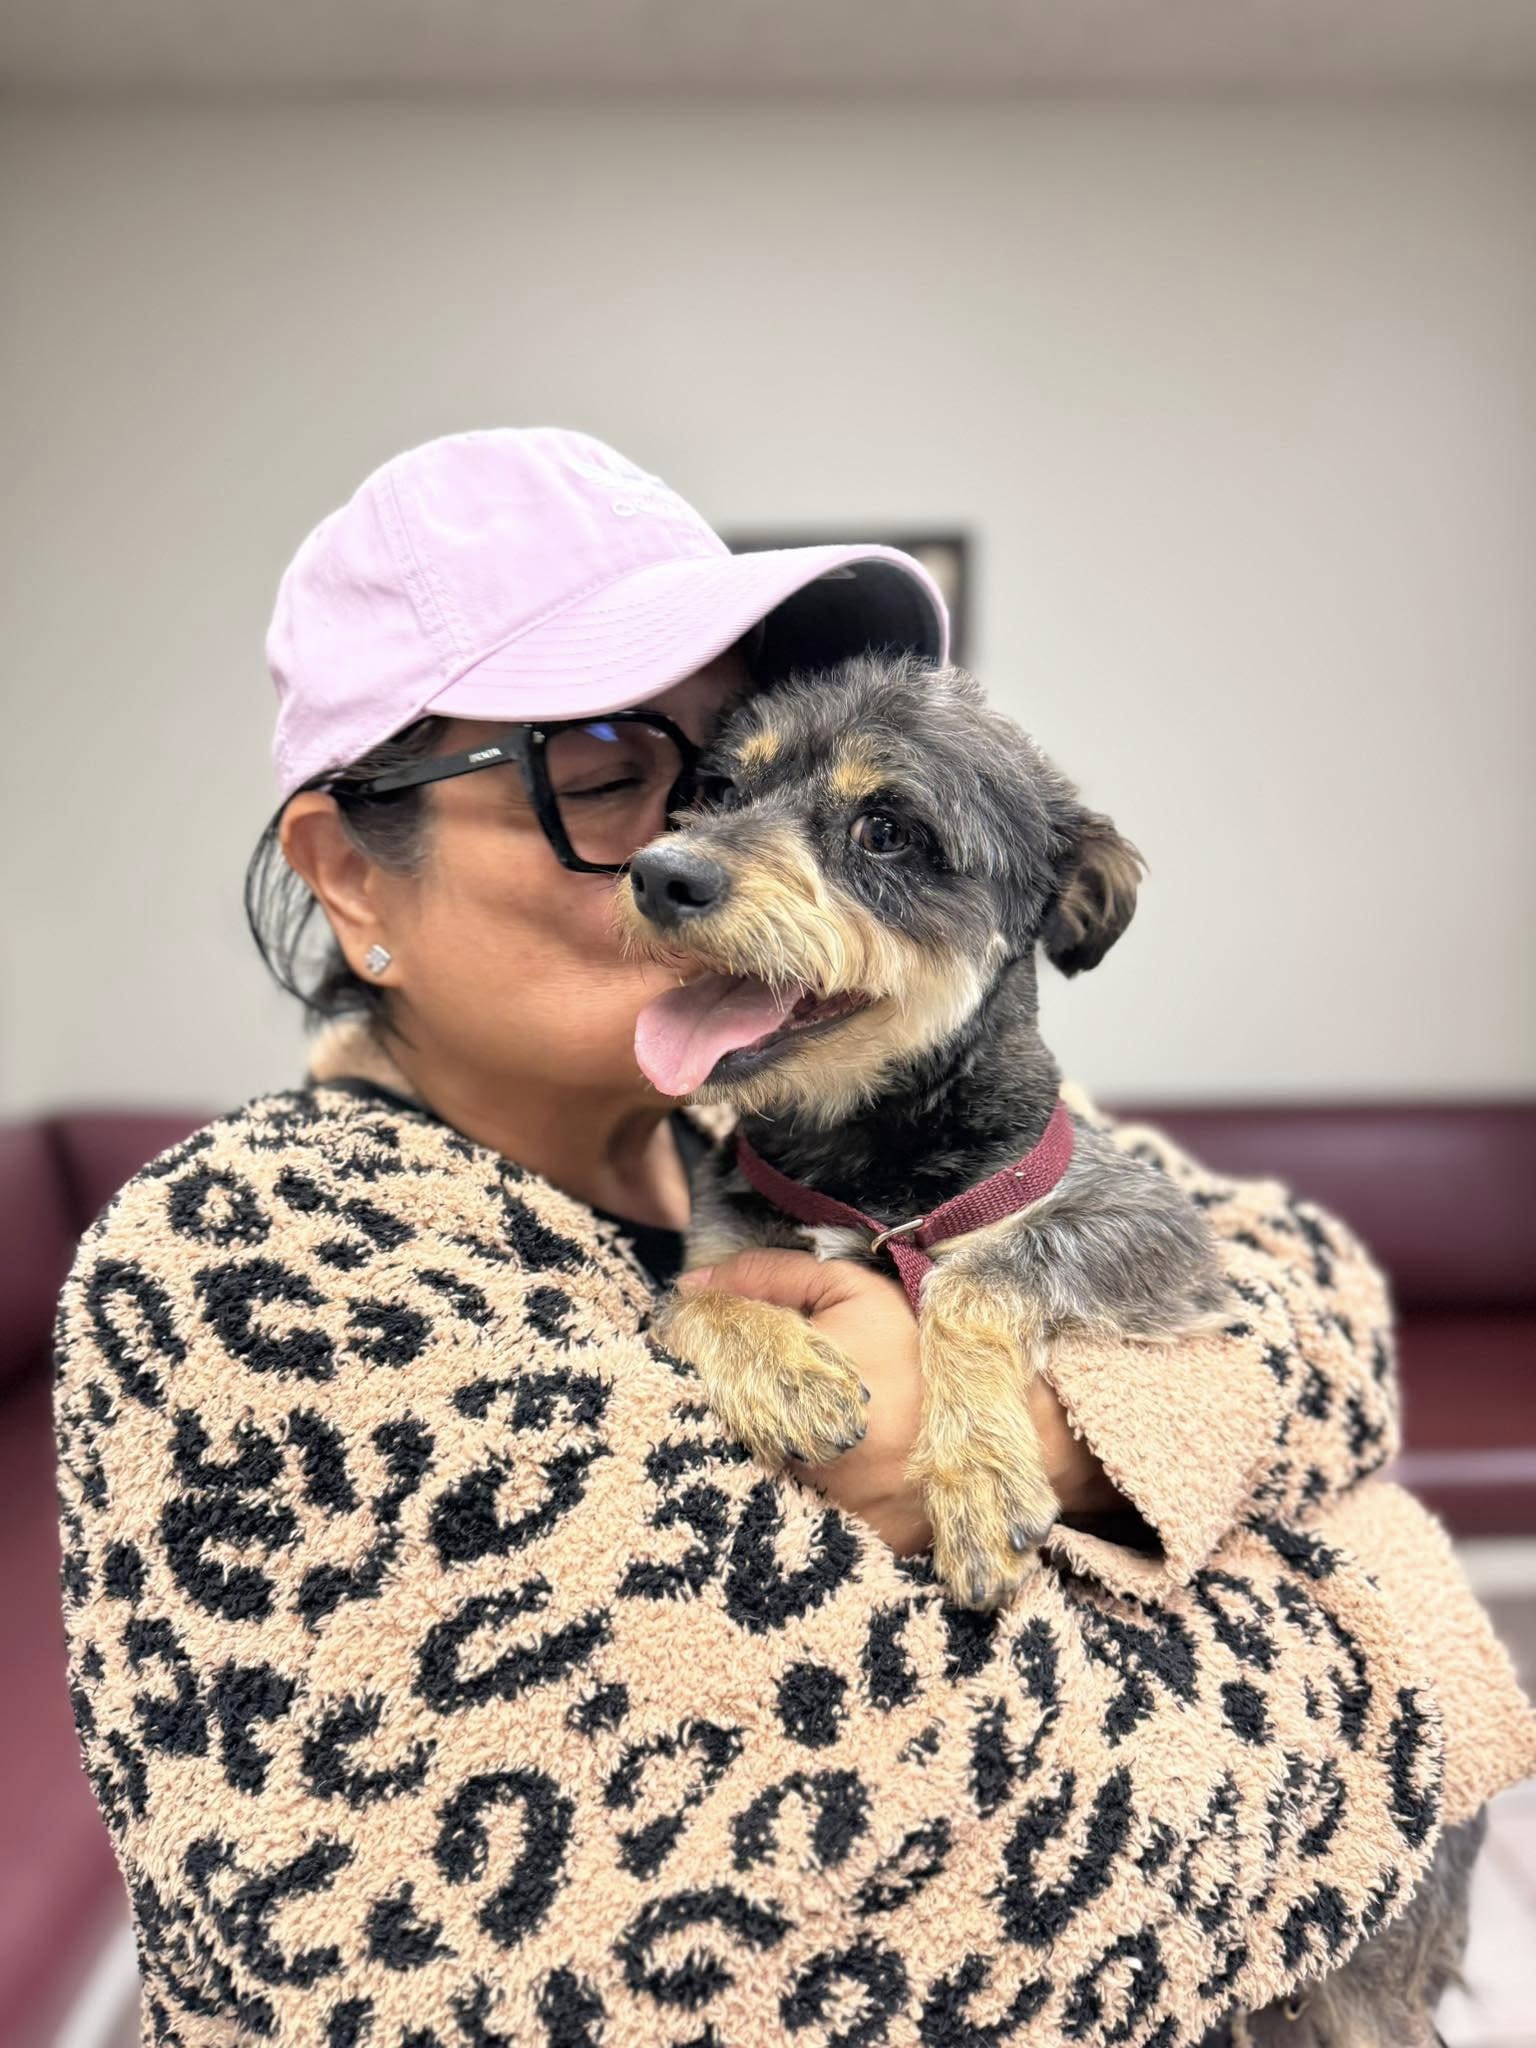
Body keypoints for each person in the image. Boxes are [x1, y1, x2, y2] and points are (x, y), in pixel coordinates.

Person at [54, 428, 1533, 2048]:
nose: (695, 847)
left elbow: (1308, 1283)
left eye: (713, 775)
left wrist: (1049, 1424)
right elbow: (1025, 1862)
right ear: (350, 873)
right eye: (598, 776)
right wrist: (1399, 1609)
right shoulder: (265, 1267)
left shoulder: (779, 1108)